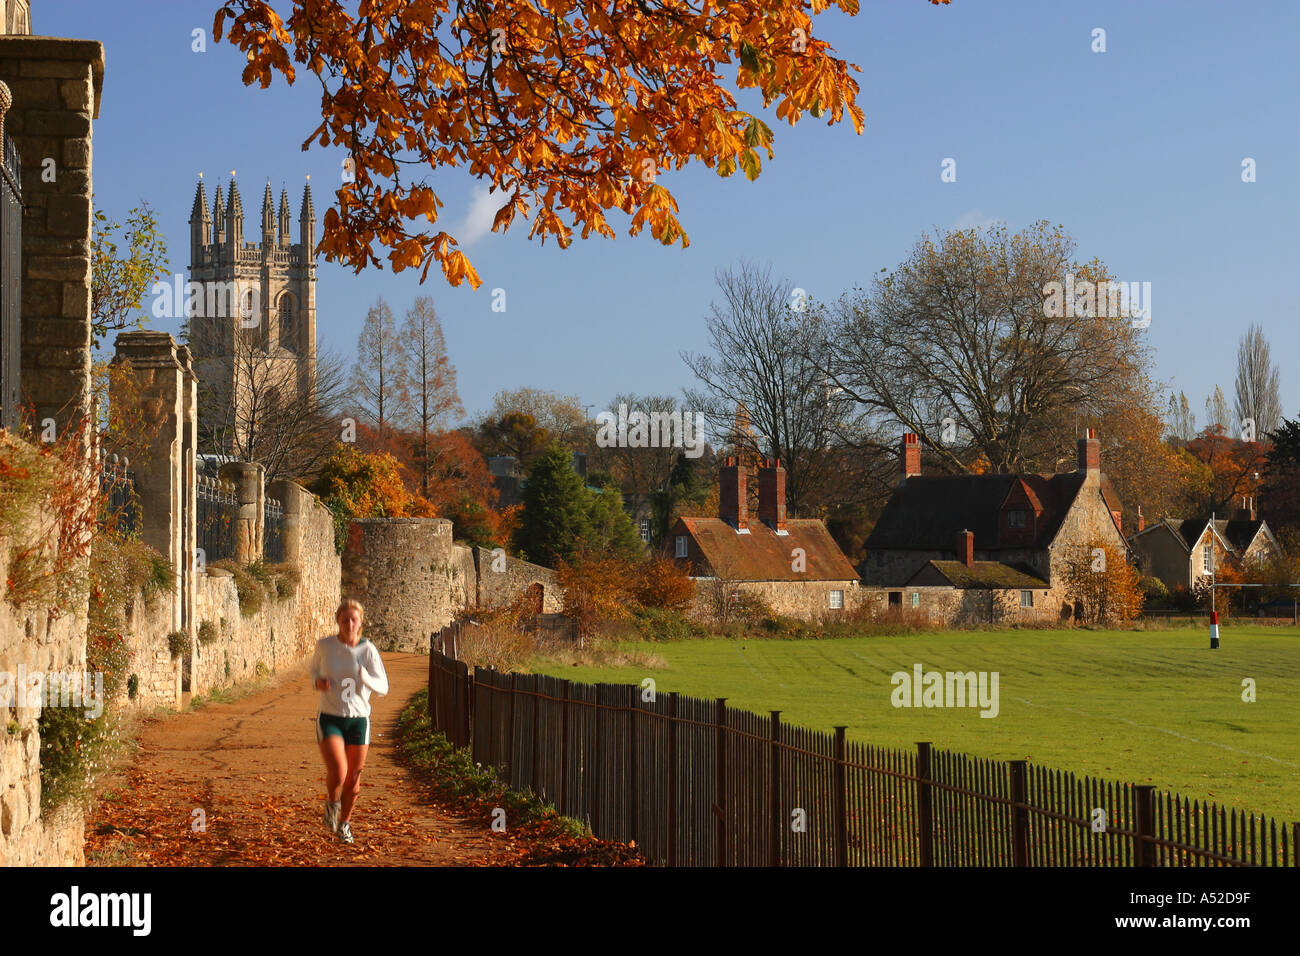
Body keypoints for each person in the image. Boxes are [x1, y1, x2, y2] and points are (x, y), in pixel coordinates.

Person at [309, 598, 388, 844]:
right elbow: (314, 670)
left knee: (353, 781)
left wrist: (365, 677)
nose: (349, 624)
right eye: (345, 620)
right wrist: (318, 682)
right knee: (339, 771)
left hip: (358, 720)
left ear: (361, 622)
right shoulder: (325, 646)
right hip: (330, 717)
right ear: (338, 622)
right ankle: (332, 804)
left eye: (354, 619)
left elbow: (383, 687)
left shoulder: (368, 650)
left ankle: (344, 823)